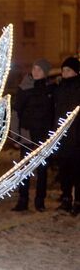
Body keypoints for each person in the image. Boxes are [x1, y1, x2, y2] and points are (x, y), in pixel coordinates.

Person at [11, 59, 55, 212]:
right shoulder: (24, 88)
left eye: (39, 69)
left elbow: (54, 113)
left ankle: (39, 201)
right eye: (34, 68)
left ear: (45, 72)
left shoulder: (50, 89)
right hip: (27, 135)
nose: (36, 71)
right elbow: (16, 112)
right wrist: (15, 135)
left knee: (42, 171)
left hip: (44, 135)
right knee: (24, 170)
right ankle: (22, 200)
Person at [54, 56, 80, 215]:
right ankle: (65, 198)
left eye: (68, 70)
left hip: (77, 137)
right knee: (64, 171)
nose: (64, 73)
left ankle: (78, 201)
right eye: (63, 70)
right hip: (62, 137)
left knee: (78, 171)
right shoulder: (60, 88)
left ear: (76, 72)